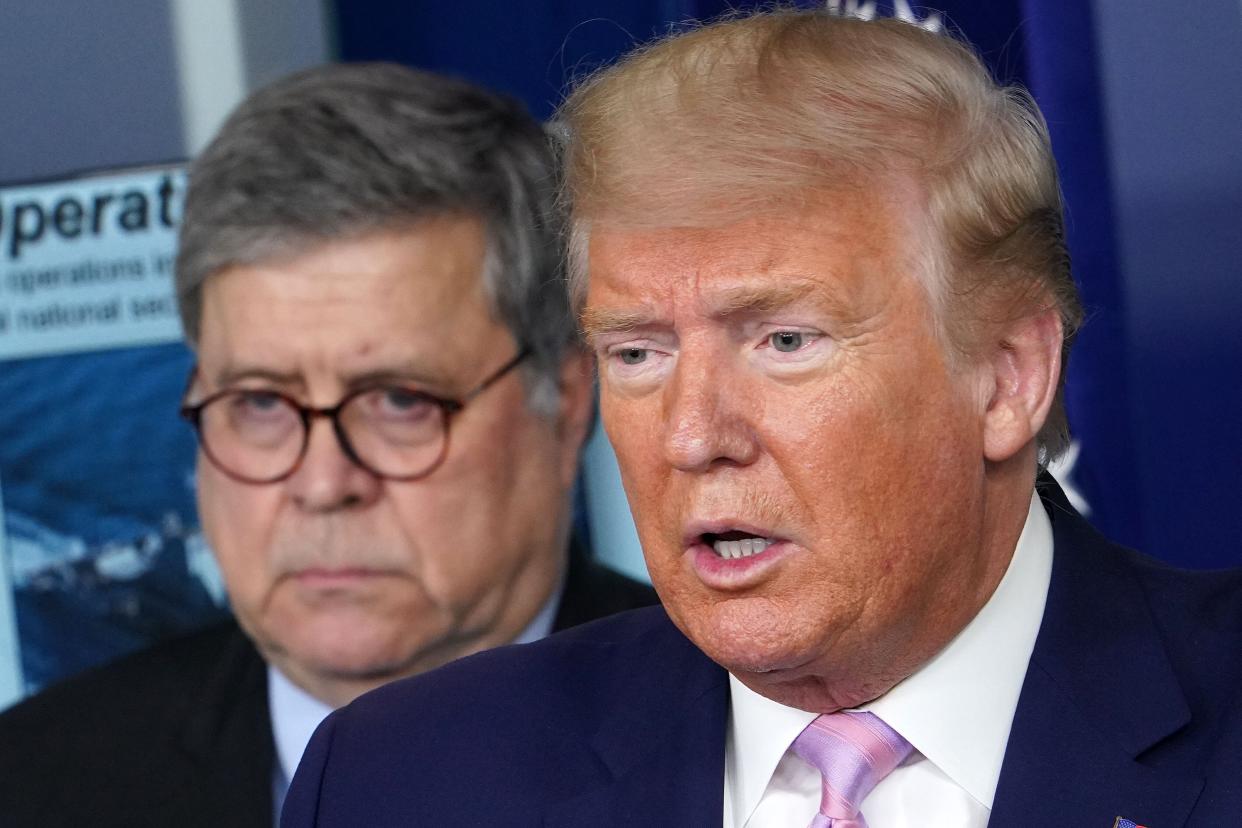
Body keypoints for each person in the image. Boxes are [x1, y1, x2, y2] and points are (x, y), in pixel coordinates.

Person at [281, 10, 1242, 828]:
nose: (694, 436)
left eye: (784, 341)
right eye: (638, 353)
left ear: (1007, 376)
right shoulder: (404, 782)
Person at [0, 63, 656, 828]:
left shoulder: (767, 747)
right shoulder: (34, 783)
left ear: (569, 399)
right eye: (259, 402)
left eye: (399, 401)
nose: (321, 482)